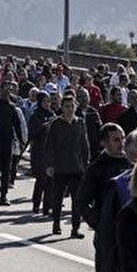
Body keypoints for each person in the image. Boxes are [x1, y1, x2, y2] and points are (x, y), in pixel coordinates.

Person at [76, 122, 131, 272]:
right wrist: (99, 224)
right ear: (104, 143)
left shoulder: (133, 163)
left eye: (123, 138)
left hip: (132, 233)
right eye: (116, 139)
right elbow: (81, 202)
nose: (121, 143)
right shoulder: (96, 168)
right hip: (108, 237)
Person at [44, 96, 90, 238]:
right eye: (66, 106)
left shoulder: (80, 123)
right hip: (60, 167)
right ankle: (56, 224)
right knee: (57, 199)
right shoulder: (56, 124)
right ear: (62, 108)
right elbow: (49, 145)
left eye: (71, 106)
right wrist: (49, 165)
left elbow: (84, 145)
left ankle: (75, 228)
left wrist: (86, 163)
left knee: (77, 200)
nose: (69, 109)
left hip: (77, 168)